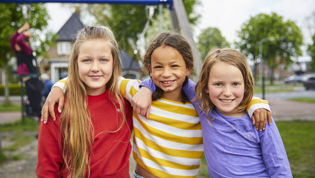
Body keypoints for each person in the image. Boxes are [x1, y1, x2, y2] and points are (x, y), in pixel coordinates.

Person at [42, 33, 270, 177]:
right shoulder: (136, 93)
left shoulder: (201, 104)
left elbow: (228, 95)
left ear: (188, 68)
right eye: (158, 67)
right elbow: (99, 76)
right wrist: (59, 86)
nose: (166, 73)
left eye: (175, 66)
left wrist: (257, 104)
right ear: (149, 70)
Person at [140, 48, 291, 177]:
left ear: (245, 86)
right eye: (218, 84)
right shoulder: (205, 109)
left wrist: (257, 103)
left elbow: (280, 168)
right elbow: (175, 78)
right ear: (205, 86)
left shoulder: (260, 120)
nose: (227, 92)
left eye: (235, 84)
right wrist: (146, 88)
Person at [36, 26, 133, 177]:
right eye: (87, 60)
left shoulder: (126, 102)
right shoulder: (56, 107)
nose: (95, 68)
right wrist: (60, 86)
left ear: (113, 63)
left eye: (103, 60)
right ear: (76, 63)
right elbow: (46, 170)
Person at [10, 22, 43, 119]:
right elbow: (13, 39)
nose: (16, 44)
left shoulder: (27, 50)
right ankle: (41, 128)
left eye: (19, 43)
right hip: (28, 81)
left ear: (26, 43)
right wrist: (23, 28)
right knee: (33, 107)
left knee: (37, 106)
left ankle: (44, 127)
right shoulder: (18, 51)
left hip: (33, 80)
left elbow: (19, 40)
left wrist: (24, 33)